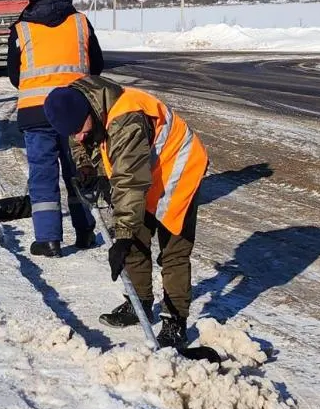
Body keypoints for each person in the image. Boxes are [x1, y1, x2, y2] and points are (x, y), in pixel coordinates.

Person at [42, 75, 209, 349]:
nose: (80, 136)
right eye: (73, 132)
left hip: (177, 169)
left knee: (173, 249)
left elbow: (129, 181)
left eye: (81, 129)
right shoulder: (82, 104)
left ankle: (175, 321)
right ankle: (139, 303)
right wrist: (86, 166)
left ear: (88, 112)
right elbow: (80, 140)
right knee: (135, 239)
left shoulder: (126, 119)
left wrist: (121, 237)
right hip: (145, 171)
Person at [6, 0, 104, 257]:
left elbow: (15, 76)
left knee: (43, 174)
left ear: (31, 1)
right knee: (79, 169)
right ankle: (85, 231)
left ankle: (49, 240)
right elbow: (97, 64)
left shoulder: (21, 28)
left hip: (36, 112)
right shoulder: (80, 22)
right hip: (76, 110)